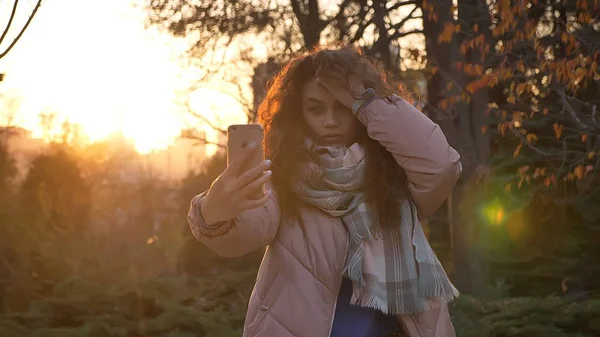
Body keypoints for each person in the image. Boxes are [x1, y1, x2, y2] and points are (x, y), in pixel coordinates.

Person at [187, 46, 461, 337]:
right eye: (316, 108)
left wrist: (368, 103)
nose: (330, 120)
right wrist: (214, 212)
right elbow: (247, 231)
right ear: (299, 113)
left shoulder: (396, 174)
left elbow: (441, 166)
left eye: (342, 107)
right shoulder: (282, 175)